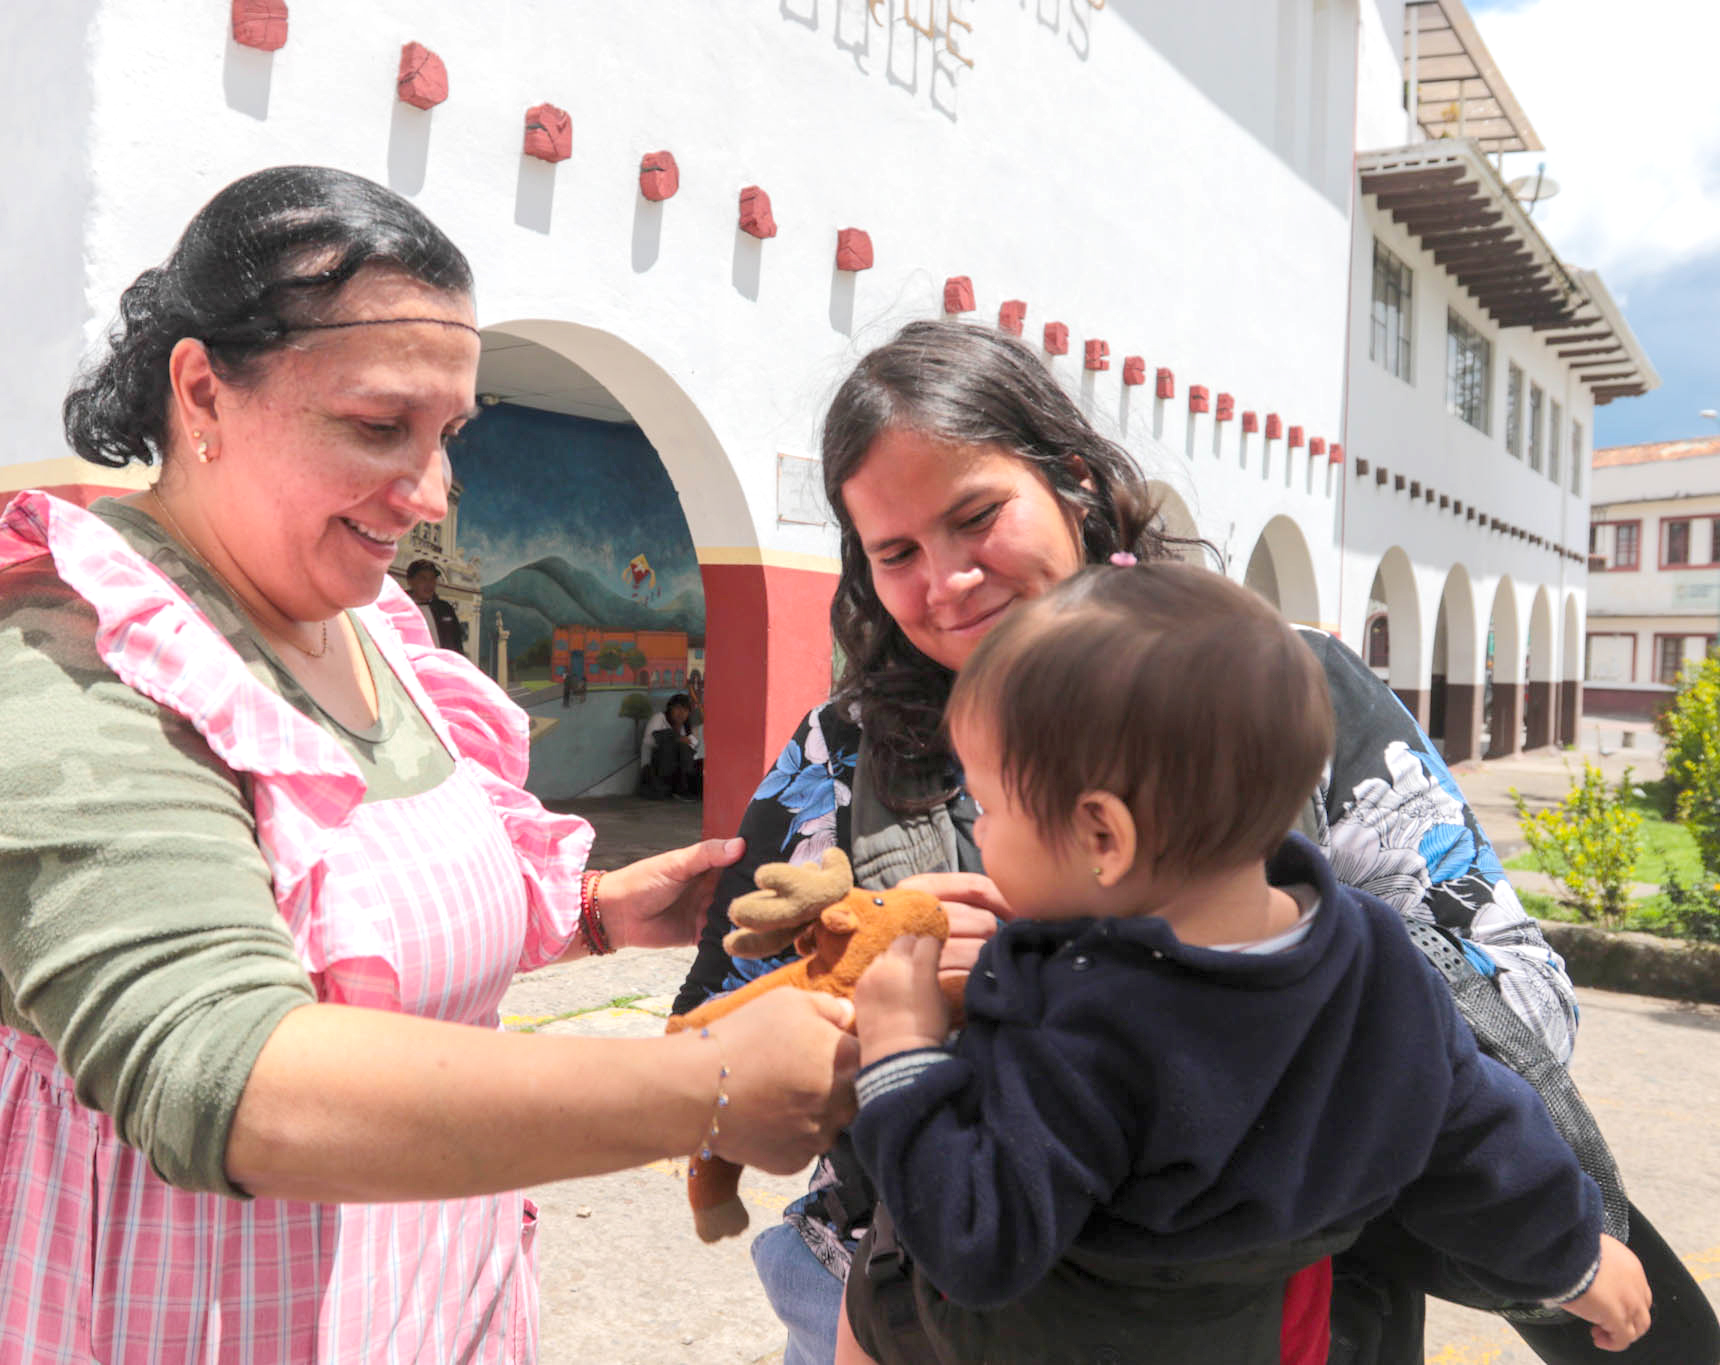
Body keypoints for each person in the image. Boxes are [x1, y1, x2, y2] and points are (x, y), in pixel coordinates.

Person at [0, 166, 858, 1364]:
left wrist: (598, 915)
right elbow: (221, 1073)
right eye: (378, 426)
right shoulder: (52, 655)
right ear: (203, 389)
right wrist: (704, 1088)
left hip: (412, 1302)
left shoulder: (367, 626)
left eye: (447, 436)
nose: (431, 494)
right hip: (113, 1308)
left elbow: (326, 917)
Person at [672, 319, 1719, 1365]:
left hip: (1279, 1318)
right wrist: (870, 1010)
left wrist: (1184, 1003)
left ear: (1073, 482)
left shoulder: (1276, 689)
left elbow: (1520, 996)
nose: (945, 581)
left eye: (976, 517)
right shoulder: (844, 748)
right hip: (906, 1306)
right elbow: (715, 1052)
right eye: (895, 553)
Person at [834, 562, 1649, 1363]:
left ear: (1103, 835)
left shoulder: (1084, 1021)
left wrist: (901, 1052)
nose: (980, 828)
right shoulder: (1373, 955)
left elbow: (976, 1242)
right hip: (1280, 1326)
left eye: (989, 806)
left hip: (1054, 1334)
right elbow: (1473, 1129)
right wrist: (1574, 1258)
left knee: (869, 1304)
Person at [640, 691, 703, 801]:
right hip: (653, 772)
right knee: (676, 743)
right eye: (678, 708)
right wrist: (676, 738)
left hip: (676, 772)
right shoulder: (659, 718)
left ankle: (686, 788)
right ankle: (679, 789)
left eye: (685, 710)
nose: (681, 713)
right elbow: (648, 741)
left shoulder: (686, 728)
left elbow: (694, 748)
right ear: (670, 709)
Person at [405, 555, 468, 653]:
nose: (429, 584)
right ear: (410, 581)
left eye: (432, 579)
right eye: (423, 578)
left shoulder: (445, 609)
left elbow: (457, 644)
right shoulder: (400, 610)